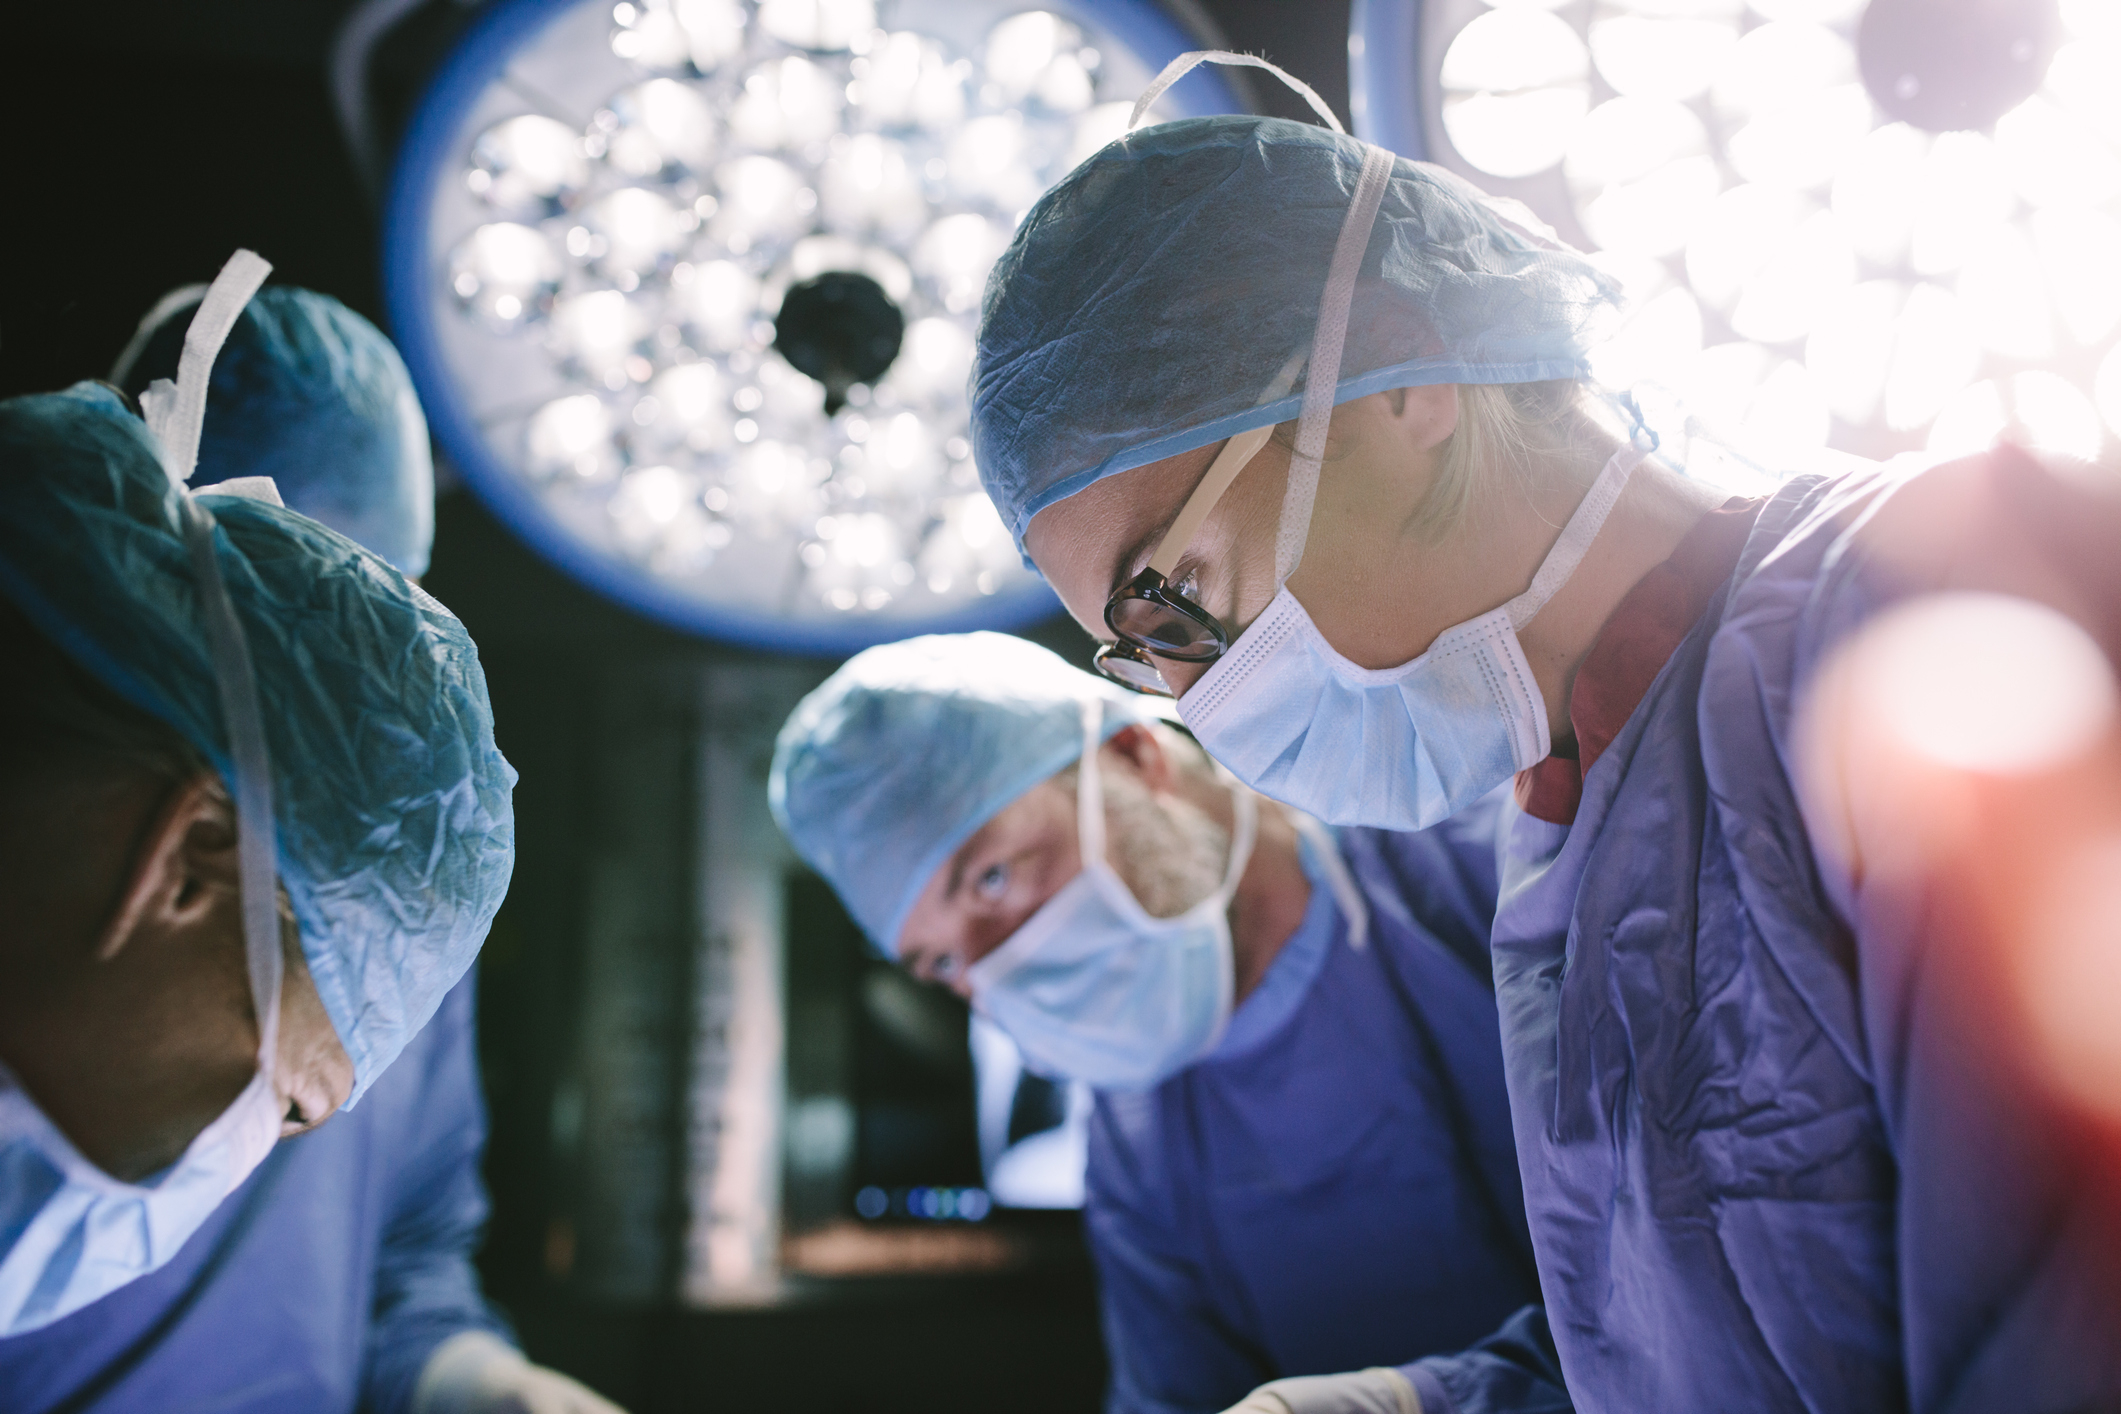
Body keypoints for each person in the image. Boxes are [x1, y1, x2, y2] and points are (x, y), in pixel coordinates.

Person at [972, 67, 2121, 1414]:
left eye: (1173, 600)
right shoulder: (1562, 835)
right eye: (1143, 659)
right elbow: (1704, 1351)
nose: (1197, 702)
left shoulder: (1935, 599)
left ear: (1396, 383)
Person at [0, 259, 610, 1412]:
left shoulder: (384, 895)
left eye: (377, 621)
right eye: (272, 584)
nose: (339, 666)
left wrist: (481, 1385)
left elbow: (408, 1257)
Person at [771, 632, 1559, 1414]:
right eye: (940, 963)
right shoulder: (1137, 1152)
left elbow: (1677, 1286)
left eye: (992, 877)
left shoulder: (1499, 872)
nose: (994, 969)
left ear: (1131, 758)